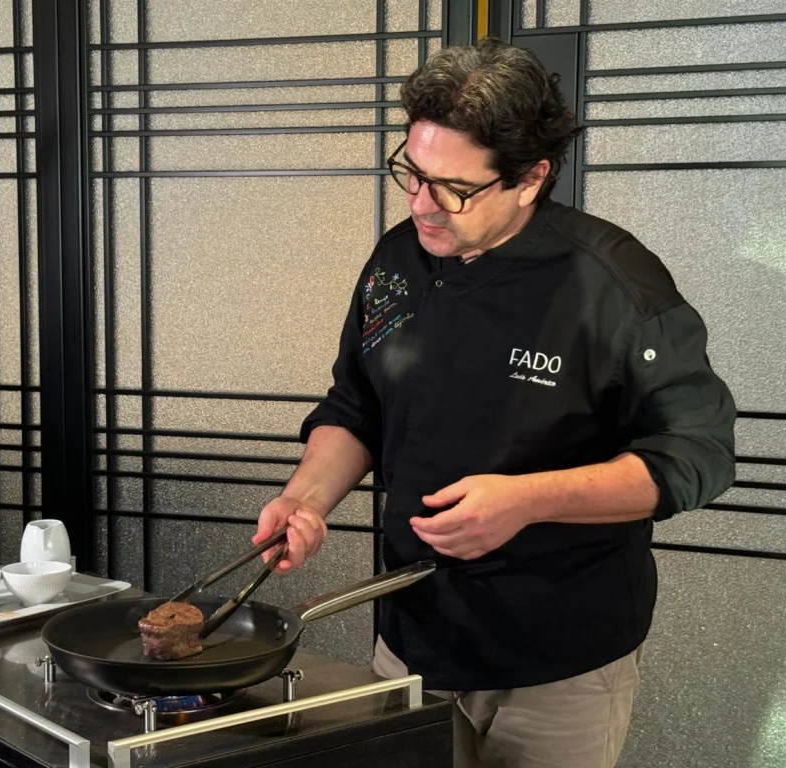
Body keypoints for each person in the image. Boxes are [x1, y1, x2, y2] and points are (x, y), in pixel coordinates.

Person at [252, 38, 736, 768]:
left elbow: (698, 454)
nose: (422, 204)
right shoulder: (398, 262)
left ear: (531, 177)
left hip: (559, 654)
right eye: (413, 174)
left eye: (453, 188)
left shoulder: (613, 285)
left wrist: (527, 501)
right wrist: (305, 500)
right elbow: (357, 405)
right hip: (412, 635)